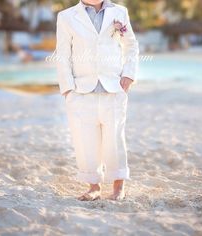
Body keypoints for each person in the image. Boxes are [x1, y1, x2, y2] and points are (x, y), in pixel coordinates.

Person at [56, 0, 139, 201]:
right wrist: (67, 89)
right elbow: (63, 53)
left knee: (115, 138)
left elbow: (131, 45)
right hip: (81, 90)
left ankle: (119, 186)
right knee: (85, 139)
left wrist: (128, 75)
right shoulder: (66, 17)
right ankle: (94, 186)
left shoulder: (120, 12)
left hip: (113, 88)